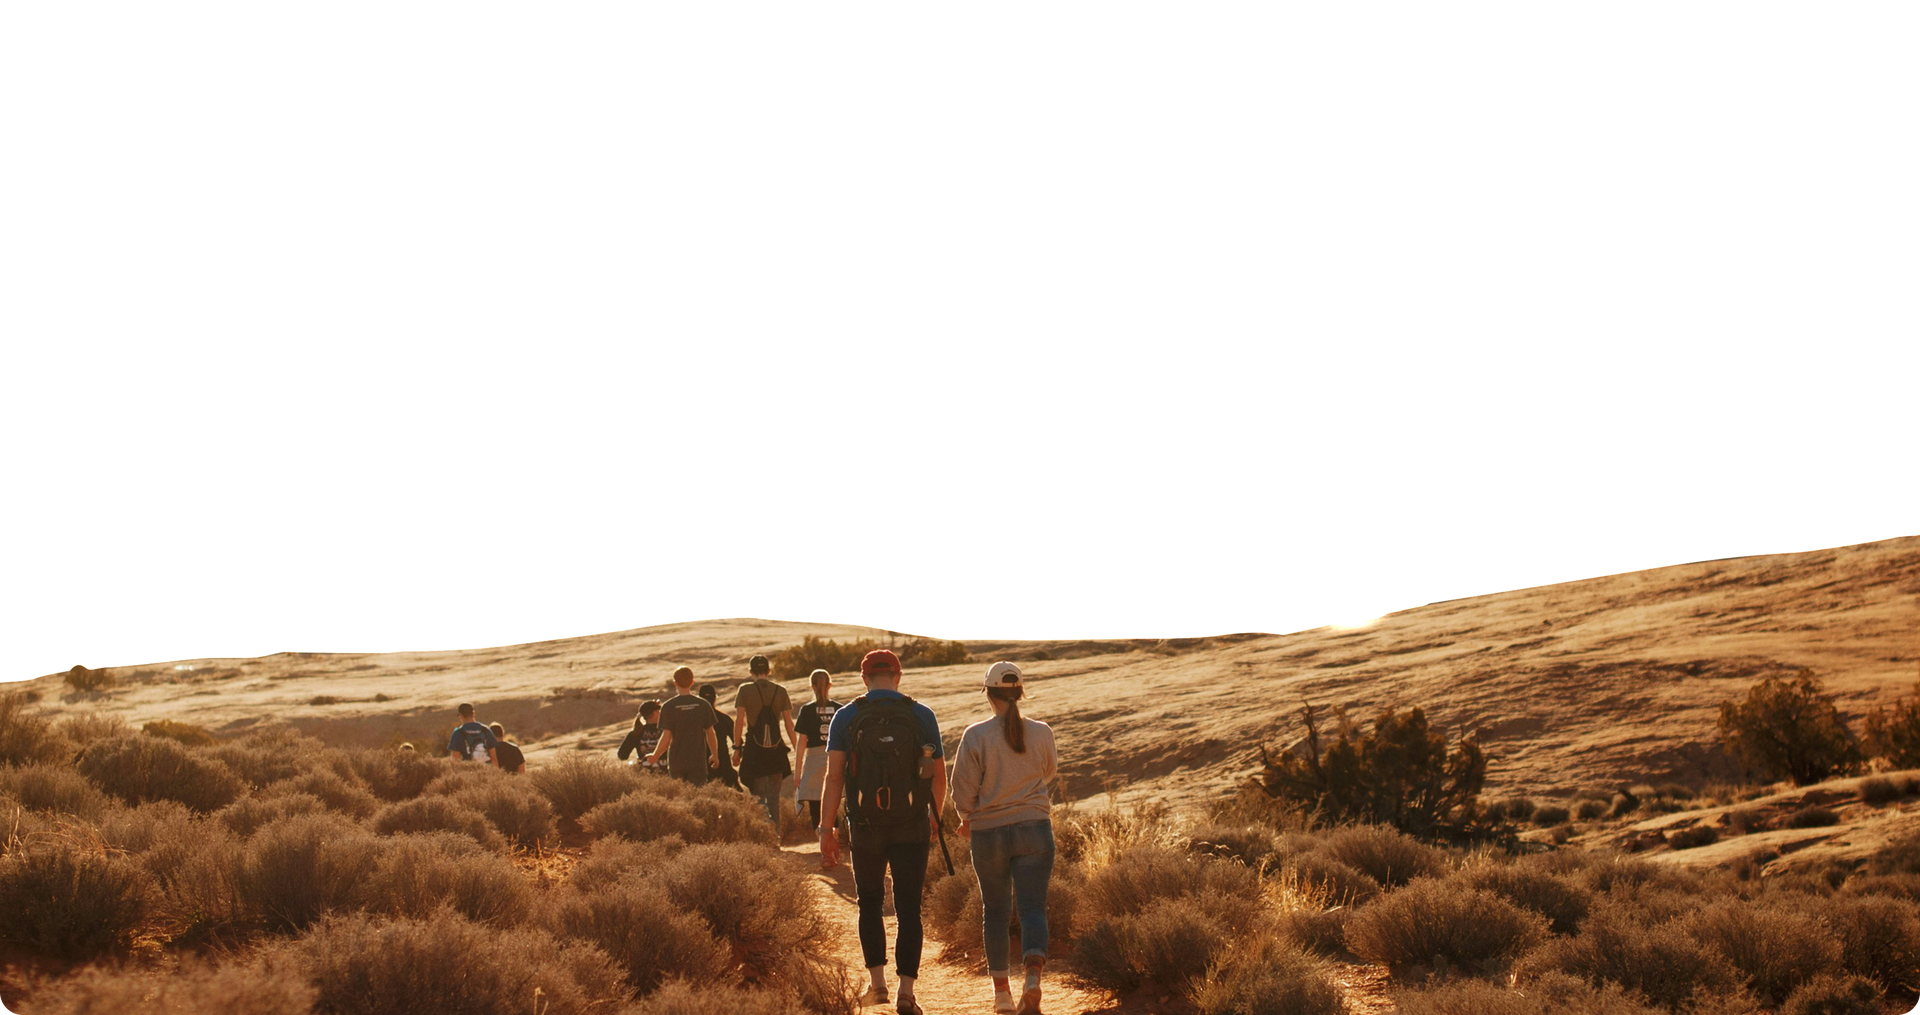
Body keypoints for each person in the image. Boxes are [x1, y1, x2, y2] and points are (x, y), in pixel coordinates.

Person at [818, 649, 945, 1015]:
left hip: (865, 825)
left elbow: (834, 776)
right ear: (899, 676)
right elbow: (939, 776)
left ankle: (877, 985)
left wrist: (827, 828)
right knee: (909, 906)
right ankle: (907, 991)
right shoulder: (921, 714)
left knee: (869, 902)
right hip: (911, 823)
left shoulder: (847, 716)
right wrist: (934, 816)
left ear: (864, 679)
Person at [951, 661, 1058, 1015]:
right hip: (1035, 828)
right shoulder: (1042, 732)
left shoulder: (976, 735)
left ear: (989, 694)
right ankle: (1032, 977)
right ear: (1021, 692)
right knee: (1032, 908)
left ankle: (1001, 995)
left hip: (989, 832)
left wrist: (967, 816)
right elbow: (1048, 771)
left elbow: (962, 790)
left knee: (994, 912)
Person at [732, 655, 796, 827]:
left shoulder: (745, 690)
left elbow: (739, 721)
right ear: (769, 671)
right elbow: (789, 724)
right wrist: (798, 748)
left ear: (751, 671)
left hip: (754, 750)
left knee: (758, 795)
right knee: (774, 797)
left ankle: (765, 829)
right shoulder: (780, 691)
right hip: (776, 750)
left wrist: (737, 748)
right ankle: (776, 836)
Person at [647, 667, 720, 784]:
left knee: (680, 796)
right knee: (697, 795)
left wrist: (655, 755)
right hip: (697, 761)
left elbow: (666, 737)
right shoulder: (703, 704)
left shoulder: (668, 706)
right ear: (692, 682)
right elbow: (710, 733)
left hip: (677, 761)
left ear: (675, 683)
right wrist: (715, 755)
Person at [794, 668, 841, 832]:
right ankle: (833, 838)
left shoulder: (807, 710)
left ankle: (823, 844)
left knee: (816, 806)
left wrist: (798, 771)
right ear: (830, 685)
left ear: (812, 686)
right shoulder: (839, 709)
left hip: (813, 760)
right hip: (836, 758)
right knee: (833, 803)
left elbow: (802, 743)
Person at [700, 683, 742, 790]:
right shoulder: (724, 718)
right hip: (723, 764)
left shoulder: (692, 721)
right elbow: (738, 741)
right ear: (715, 699)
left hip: (700, 766)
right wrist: (737, 755)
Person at [617, 701, 664, 768]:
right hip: (666, 773)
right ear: (655, 713)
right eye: (659, 711)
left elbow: (622, 755)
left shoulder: (636, 732)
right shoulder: (667, 731)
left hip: (644, 773)